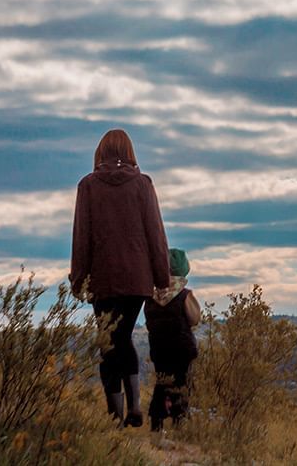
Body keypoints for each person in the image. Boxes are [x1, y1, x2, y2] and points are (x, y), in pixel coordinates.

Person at [70, 129, 170, 428]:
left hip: (102, 280)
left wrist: (78, 280)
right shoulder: (143, 184)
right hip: (137, 280)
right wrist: (162, 278)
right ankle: (134, 407)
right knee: (122, 337)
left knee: (109, 343)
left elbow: (81, 237)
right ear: (129, 152)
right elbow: (156, 233)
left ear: (101, 152)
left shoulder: (88, 186)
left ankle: (116, 415)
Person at [145, 248, 200, 432]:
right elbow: (194, 319)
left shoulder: (151, 297)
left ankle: (156, 422)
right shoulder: (184, 295)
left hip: (159, 350)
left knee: (162, 385)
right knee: (183, 385)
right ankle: (180, 420)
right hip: (182, 350)